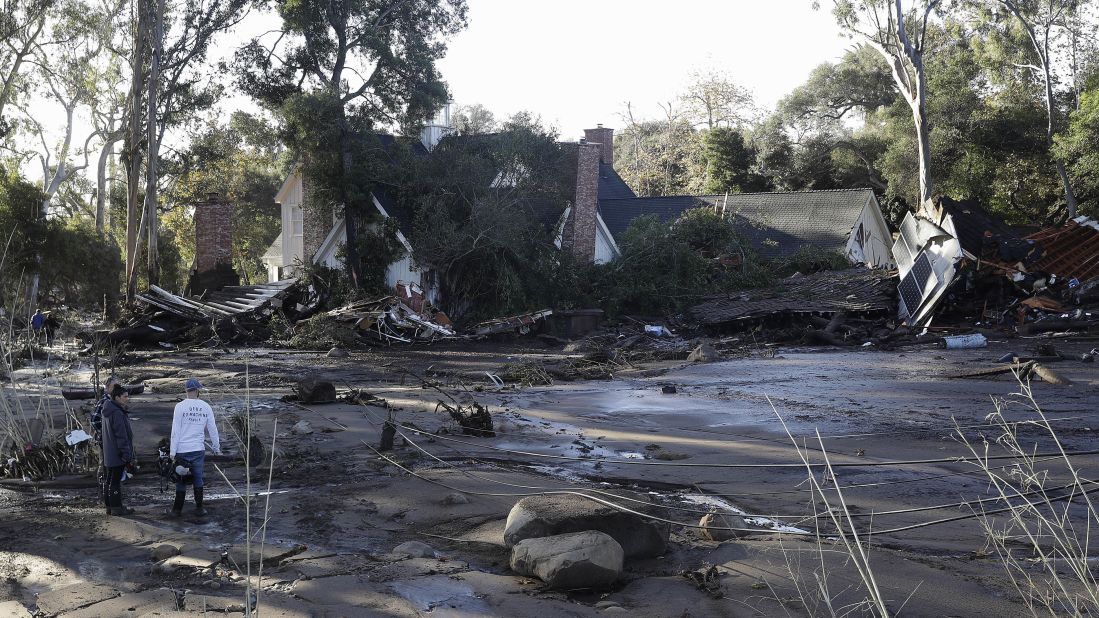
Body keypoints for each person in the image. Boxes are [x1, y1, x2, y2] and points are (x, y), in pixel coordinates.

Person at [169, 378, 220, 517]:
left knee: (181, 478)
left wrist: (172, 451)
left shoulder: (180, 407)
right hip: (198, 448)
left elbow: (175, 431)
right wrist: (216, 447)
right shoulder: (205, 406)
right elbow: (212, 429)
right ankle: (199, 508)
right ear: (198, 390)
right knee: (198, 477)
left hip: (182, 449)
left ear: (186, 390)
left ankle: (177, 510)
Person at [100, 384, 136, 516]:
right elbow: (121, 435)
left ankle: (110, 507)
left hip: (109, 452)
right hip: (117, 453)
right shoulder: (117, 412)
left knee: (109, 479)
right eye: (125, 396)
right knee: (114, 480)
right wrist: (126, 455)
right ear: (117, 397)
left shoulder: (107, 409)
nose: (127, 399)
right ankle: (116, 508)